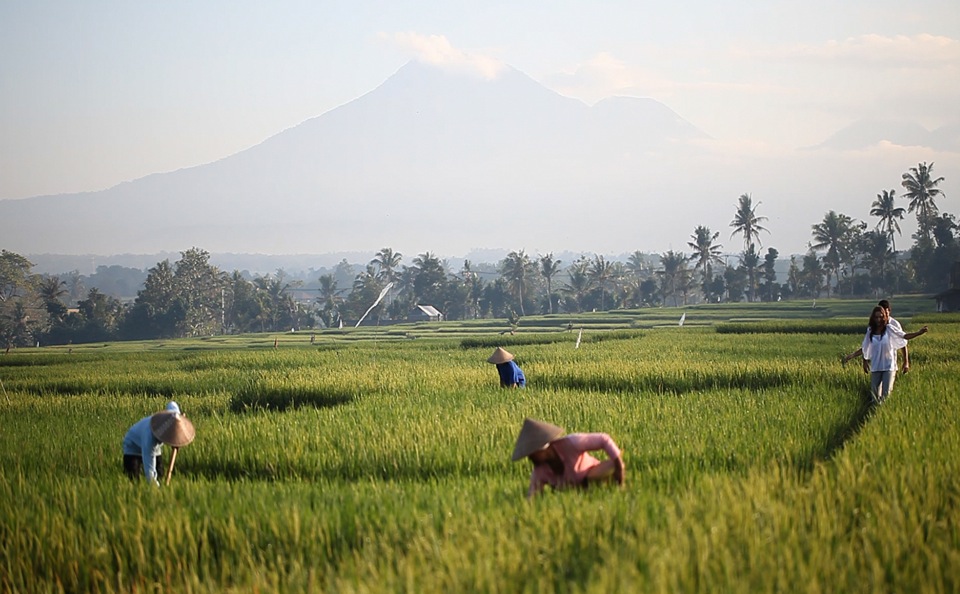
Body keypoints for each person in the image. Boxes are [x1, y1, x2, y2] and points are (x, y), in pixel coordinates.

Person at [511, 418, 625, 498]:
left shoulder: (571, 443)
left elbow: (603, 439)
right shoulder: (539, 472)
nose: (531, 458)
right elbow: (533, 497)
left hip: (594, 474)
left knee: (602, 470)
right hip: (571, 492)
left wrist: (619, 467)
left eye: (533, 453)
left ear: (544, 448)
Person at [847, 306, 928, 403]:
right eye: (876, 317)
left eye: (880, 317)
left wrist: (919, 333)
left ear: (884, 317)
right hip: (876, 367)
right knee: (875, 396)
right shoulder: (870, 331)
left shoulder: (889, 329)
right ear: (873, 318)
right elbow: (865, 348)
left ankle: (882, 414)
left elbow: (904, 336)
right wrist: (854, 356)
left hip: (888, 367)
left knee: (886, 396)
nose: (878, 319)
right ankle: (874, 412)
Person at [122, 401, 196, 485]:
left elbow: (172, 404)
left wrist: (179, 416)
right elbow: (149, 469)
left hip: (154, 447)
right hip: (132, 446)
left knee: (160, 474)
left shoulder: (172, 416)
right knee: (133, 479)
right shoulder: (149, 438)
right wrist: (156, 489)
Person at [842, 299, 910, 373]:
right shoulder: (873, 327)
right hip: (876, 365)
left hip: (890, 363)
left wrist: (906, 362)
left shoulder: (894, 325)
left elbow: (903, 342)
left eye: (886, 313)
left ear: (889, 311)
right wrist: (863, 360)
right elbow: (867, 345)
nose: (883, 317)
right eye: (881, 314)